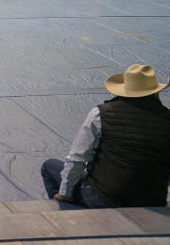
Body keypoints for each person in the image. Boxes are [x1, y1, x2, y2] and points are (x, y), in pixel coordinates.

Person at [41, 64, 170, 209]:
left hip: (107, 198)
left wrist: (65, 193)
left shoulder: (101, 114)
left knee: (49, 166)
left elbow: (77, 158)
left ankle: (68, 215)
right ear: (156, 92)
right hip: (153, 201)